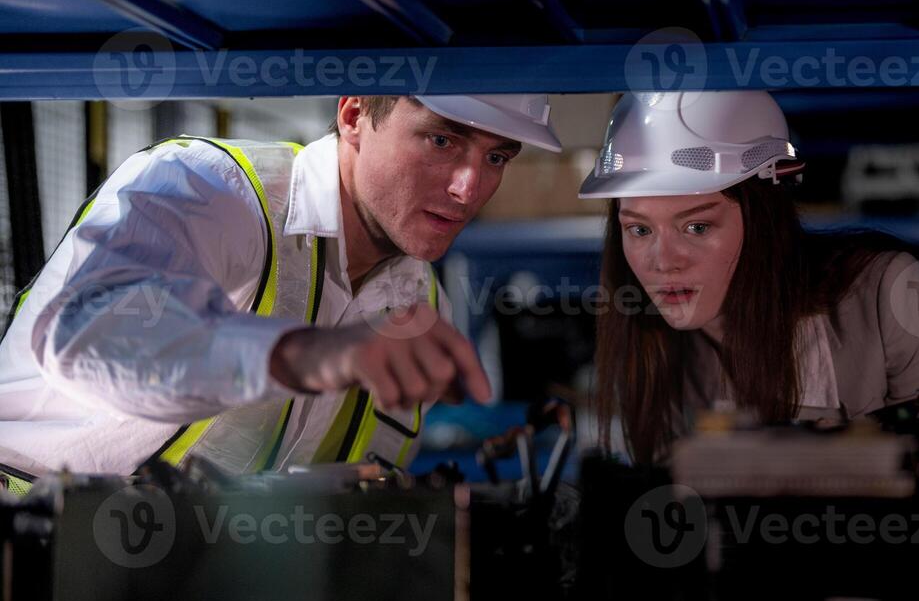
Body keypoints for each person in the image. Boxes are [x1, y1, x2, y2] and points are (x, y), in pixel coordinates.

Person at [0, 94, 563, 488]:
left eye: (496, 157)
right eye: (442, 140)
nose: (469, 189)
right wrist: (309, 352)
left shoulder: (417, 304)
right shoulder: (209, 188)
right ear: (354, 115)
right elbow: (87, 333)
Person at [579, 90, 919, 464]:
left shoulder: (883, 294)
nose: (663, 262)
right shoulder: (652, 351)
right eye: (640, 230)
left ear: (764, 218)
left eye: (696, 227)